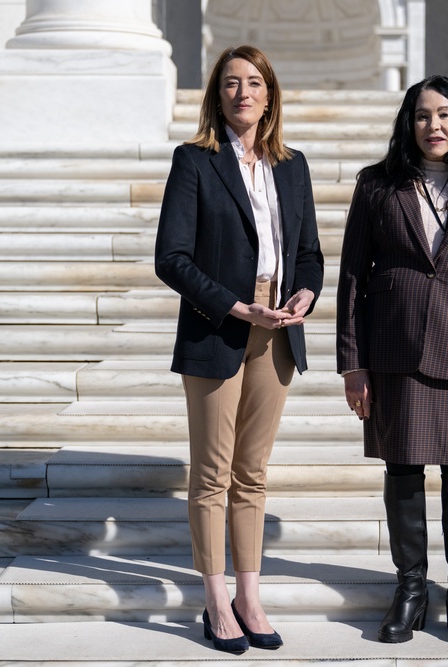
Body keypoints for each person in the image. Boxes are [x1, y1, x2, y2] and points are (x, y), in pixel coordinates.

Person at [155, 45, 323, 655]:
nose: (243, 93)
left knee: (252, 474)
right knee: (211, 474)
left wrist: (304, 292)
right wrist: (234, 305)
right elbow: (170, 259)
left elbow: (309, 251)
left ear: (270, 94)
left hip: (277, 330)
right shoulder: (195, 161)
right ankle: (215, 599)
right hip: (219, 324)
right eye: (231, 83)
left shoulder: (293, 165)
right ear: (217, 95)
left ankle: (250, 597)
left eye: (254, 83)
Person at [336, 75, 448, 646]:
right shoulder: (377, 186)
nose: (432, 126)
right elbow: (349, 280)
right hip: (393, 349)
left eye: (443, 115)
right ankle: (410, 586)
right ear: (406, 124)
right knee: (403, 470)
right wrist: (352, 364)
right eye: (420, 116)